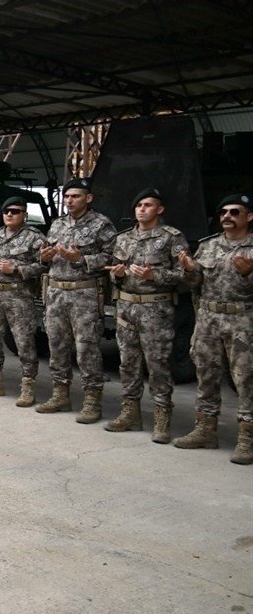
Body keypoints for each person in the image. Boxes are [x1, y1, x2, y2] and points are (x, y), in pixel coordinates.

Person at [104, 189, 188, 439]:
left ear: (159, 210)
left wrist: (155, 276)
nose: (141, 209)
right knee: (128, 364)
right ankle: (130, 413)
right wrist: (116, 275)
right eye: (138, 205)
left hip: (156, 310)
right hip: (126, 308)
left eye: (148, 205)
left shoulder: (172, 238)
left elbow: (187, 276)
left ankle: (162, 418)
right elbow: (113, 271)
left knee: (158, 365)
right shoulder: (123, 239)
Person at [175, 193, 253, 463]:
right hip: (208, 318)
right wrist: (188, 270)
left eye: (234, 212)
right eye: (223, 213)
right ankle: (205, 430)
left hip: (243, 321)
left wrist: (249, 273)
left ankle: (247, 438)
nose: (227, 217)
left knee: (246, 379)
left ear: (249, 216)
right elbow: (194, 284)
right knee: (205, 374)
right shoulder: (208, 246)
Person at [35, 178, 117, 423]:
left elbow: (112, 257)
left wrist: (81, 258)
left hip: (85, 293)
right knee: (57, 345)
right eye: (67, 196)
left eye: (75, 196)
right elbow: (46, 258)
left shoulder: (101, 224)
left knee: (86, 348)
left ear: (88, 198)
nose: (69, 201)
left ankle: (92, 400)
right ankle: (60, 394)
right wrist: (45, 257)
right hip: (56, 292)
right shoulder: (57, 224)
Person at [0, 196, 47, 406]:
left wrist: (16, 269)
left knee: (23, 342)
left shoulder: (35, 238)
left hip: (19, 296)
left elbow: (44, 266)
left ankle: (28, 387)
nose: (10, 215)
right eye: (7, 211)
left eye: (15, 211)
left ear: (24, 214)